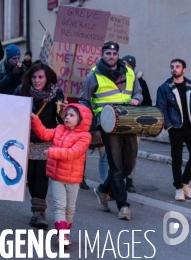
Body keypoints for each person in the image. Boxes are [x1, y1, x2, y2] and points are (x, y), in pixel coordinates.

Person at [79, 41, 143, 220]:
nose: (111, 57)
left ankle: (103, 189)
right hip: (107, 122)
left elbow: (138, 92)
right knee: (115, 164)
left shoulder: (129, 72)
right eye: (108, 54)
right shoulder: (94, 75)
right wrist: (89, 120)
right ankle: (123, 205)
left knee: (128, 163)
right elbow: (84, 99)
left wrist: (137, 99)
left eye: (114, 54)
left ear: (118, 55)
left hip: (128, 119)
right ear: (103, 55)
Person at [30, 104, 92, 246]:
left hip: (74, 179)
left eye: (72, 115)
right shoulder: (59, 129)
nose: (67, 118)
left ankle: (65, 234)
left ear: (81, 119)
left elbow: (73, 153)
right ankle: (62, 236)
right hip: (57, 176)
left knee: (70, 208)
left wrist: (52, 152)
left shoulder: (84, 136)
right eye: (66, 115)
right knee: (60, 206)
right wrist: (35, 119)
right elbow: (44, 134)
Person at [15, 63, 65, 229]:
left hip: (46, 140)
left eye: (40, 77)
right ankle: (36, 208)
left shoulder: (56, 94)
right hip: (26, 140)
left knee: (42, 175)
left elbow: (62, 120)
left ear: (47, 77)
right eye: (34, 77)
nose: (37, 80)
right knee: (31, 176)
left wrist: (65, 112)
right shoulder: (21, 91)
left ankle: (38, 212)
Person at [156, 59, 191, 202]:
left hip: (190, 127)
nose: (174, 69)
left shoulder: (190, 85)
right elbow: (161, 109)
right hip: (175, 128)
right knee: (176, 159)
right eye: (172, 67)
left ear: (184, 70)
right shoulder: (164, 87)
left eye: (178, 67)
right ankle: (179, 189)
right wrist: (168, 126)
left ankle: (184, 183)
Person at [121, 55, 152, 193]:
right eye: (122, 63)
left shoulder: (140, 83)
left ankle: (129, 180)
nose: (124, 65)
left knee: (131, 153)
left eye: (127, 63)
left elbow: (148, 103)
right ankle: (114, 181)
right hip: (119, 122)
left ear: (132, 67)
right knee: (116, 153)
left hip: (134, 124)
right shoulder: (117, 80)